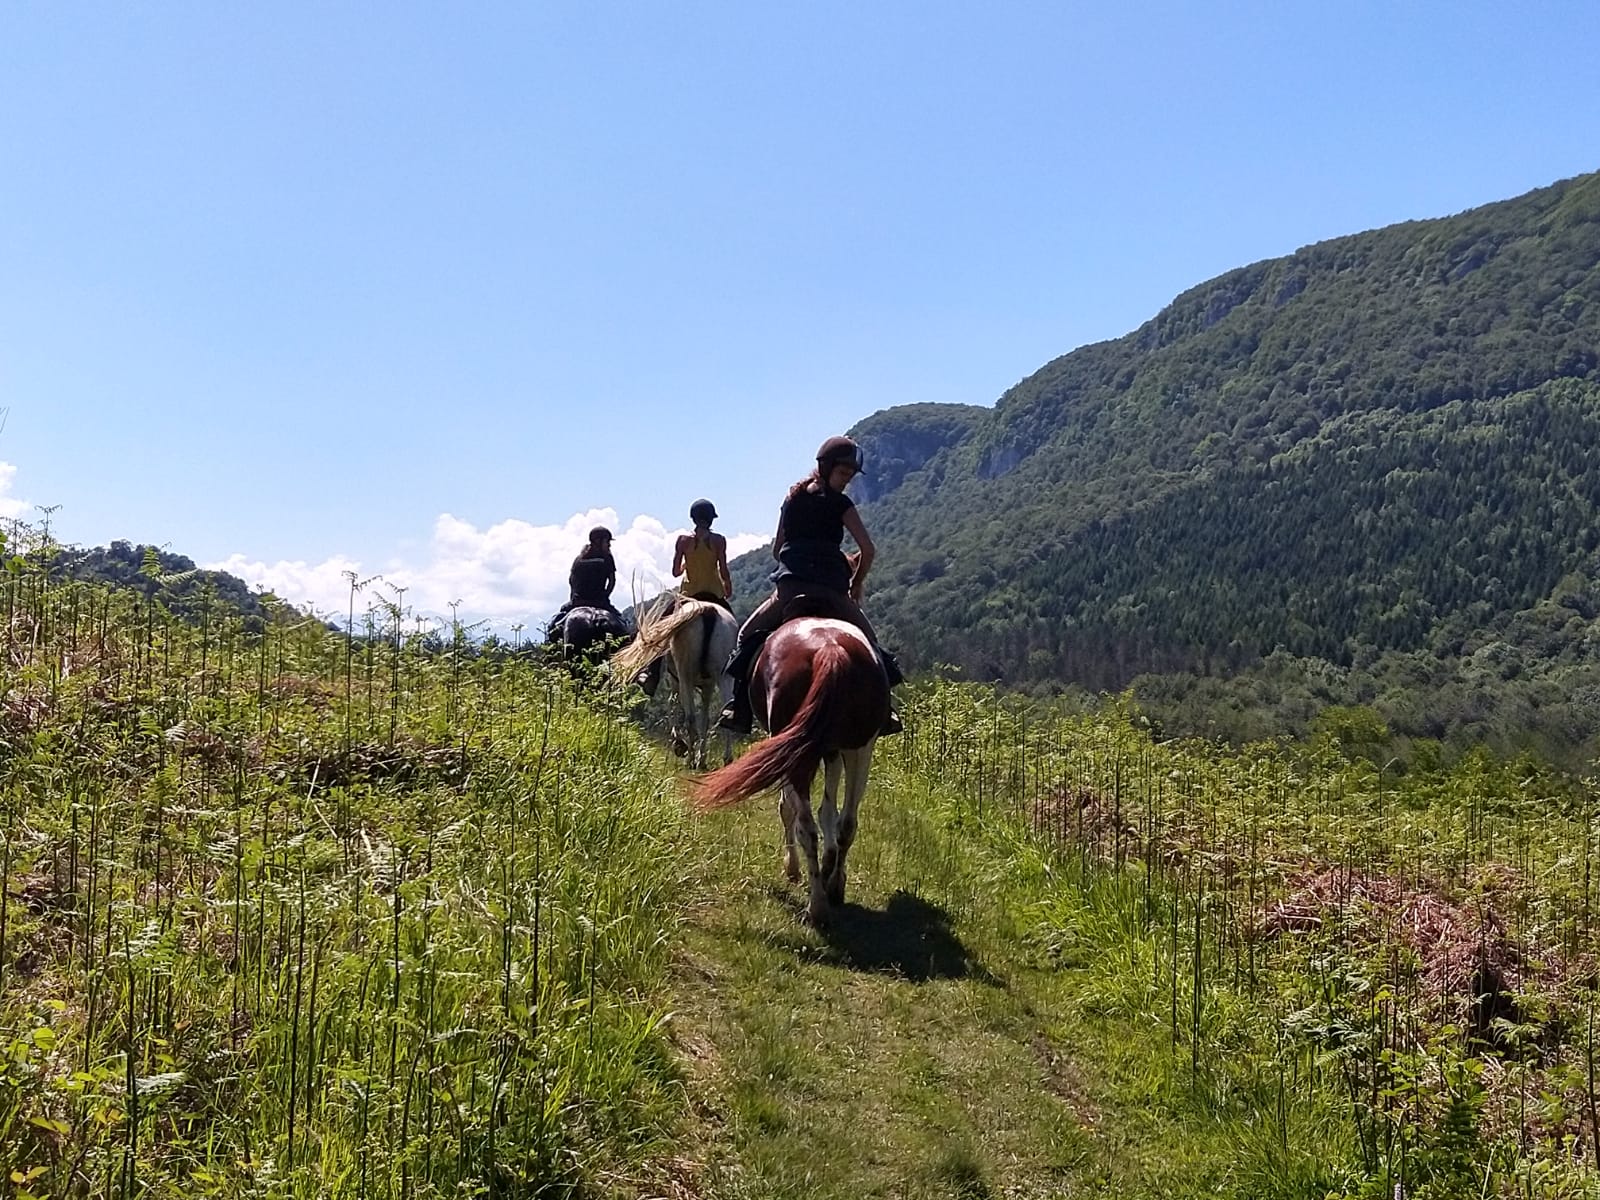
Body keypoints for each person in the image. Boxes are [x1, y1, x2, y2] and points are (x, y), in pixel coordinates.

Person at [715, 435, 903, 735]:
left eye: (850, 476)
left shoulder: (792, 499)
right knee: (871, 644)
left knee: (746, 636)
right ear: (826, 467)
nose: (846, 481)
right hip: (832, 591)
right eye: (843, 474)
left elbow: (778, 550)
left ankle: (739, 708)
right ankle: (885, 712)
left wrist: (800, 554)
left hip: (790, 589)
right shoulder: (841, 504)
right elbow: (868, 549)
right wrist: (856, 583)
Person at [634, 499, 734, 696]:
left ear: (693, 518)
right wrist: (727, 588)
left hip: (689, 596)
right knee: (736, 635)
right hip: (714, 593)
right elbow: (723, 570)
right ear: (711, 519)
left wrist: (686, 566)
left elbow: (674, 572)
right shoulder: (718, 541)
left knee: (659, 633)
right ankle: (736, 676)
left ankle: (651, 674)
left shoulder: (683, 541)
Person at [547, 526, 623, 640]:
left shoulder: (579, 559)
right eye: (607, 542)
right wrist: (604, 596)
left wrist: (574, 598)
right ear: (598, 541)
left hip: (578, 601)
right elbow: (612, 581)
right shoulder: (607, 558)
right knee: (622, 623)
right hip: (600, 602)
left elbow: (572, 581)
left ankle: (552, 649)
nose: (609, 545)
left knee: (553, 625)